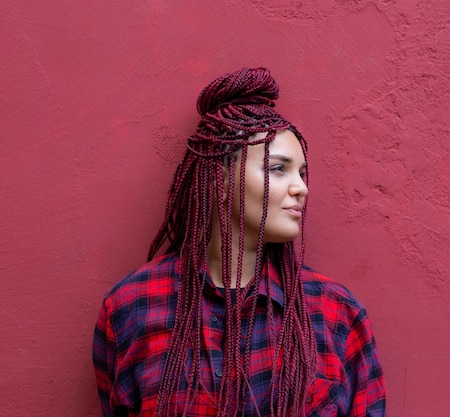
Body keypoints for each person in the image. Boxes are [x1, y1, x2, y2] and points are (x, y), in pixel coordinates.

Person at [93, 67, 386, 417]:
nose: (301, 188)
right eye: (279, 169)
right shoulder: (131, 307)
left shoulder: (336, 314)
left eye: (303, 173)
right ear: (219, 176)